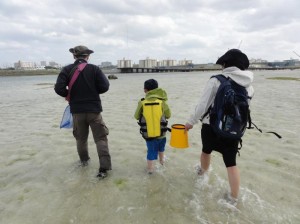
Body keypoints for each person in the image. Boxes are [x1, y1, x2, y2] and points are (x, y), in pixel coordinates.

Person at [185, 49, 254, 205]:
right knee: (231, 163)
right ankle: (234, 199)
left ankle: (203, 175)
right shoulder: (250, 86)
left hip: (211, 126)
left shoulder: (216, 80)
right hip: (234, 130)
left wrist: (190, 122)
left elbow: (203, 105)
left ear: (225, 63)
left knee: (206, 151)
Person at [54, 45, 112, 179]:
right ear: (88, 56)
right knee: (100, 139)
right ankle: (104, 169)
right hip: (94, 110)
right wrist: (92, 91)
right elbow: (105, 86)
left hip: (77, 111)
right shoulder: (95, 69)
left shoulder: (67, 69)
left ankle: (84, 163)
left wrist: (68, 94)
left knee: (81, 139)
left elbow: (59, 88)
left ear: (74, 56)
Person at [134, 79, 171, 174]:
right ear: (157, 89)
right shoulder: (162, 102)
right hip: (161, 134)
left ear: (145, 90)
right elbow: (168, 115)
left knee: (150, 151)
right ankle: (162, 162)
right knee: (161, 149)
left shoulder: (142, 102)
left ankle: (150, 170)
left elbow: (136, 116)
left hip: (149, 135)